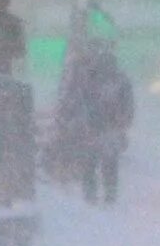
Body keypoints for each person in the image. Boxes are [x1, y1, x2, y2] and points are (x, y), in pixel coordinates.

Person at [55, 38, 134, 204]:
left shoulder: (89, 77)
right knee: (110, 165)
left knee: (89, 164)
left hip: (91, 126)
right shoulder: (120, 78)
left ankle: (90, 197)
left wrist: (68, 118)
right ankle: (110, 197)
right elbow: (128, 104)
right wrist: (124, 121)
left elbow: (78, 100)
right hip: (112, 127)